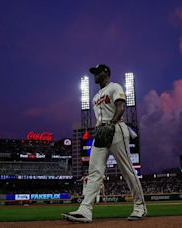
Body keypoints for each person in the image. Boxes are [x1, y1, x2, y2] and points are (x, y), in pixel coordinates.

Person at [62, 64, 147, 223]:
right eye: (94, 73)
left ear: (105, 73)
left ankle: (139, 206)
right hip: (101, 133)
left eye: (97, 72)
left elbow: (121, 107)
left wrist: (111, 123)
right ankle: (85, 210)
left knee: (127, 169)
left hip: (116, 129)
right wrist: (102, 128)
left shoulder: (115, 87)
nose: (95, 76)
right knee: (94, 173)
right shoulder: (95, 97)